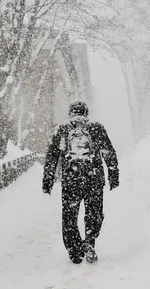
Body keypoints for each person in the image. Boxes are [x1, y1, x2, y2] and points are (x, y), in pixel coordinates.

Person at [42, 101, 119, 264]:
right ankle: (89, 241)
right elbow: (109, 152)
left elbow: (52, 157)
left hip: (71, 181)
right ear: (86, 113)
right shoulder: (96, 128)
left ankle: (75, 251)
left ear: (71, 113)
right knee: (94, 213)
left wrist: (47, 180)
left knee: (69, 216)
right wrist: (113, 175)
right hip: (94, 179)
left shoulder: (62, 130)